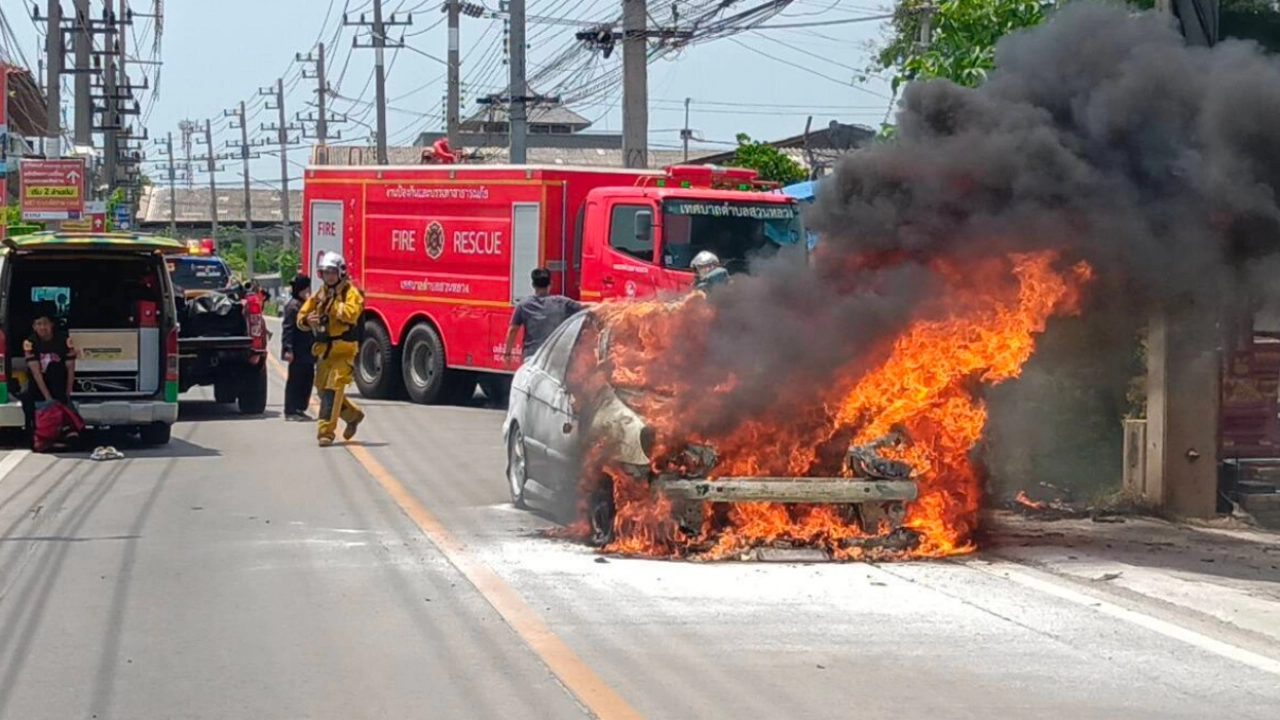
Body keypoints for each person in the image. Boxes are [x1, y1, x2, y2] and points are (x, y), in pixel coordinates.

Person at [297, 252, 365, 447]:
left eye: (332, 273)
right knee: (322, 389)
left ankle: (325, 432)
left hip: (344, 349)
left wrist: (333, 305)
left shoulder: (352, 293)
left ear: (341, 272)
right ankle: (353, 415)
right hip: (324, 349)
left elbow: (351, 314)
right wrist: (307, 320)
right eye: (325, 273)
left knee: (332, 390)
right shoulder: (321, 293)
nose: (328, 277)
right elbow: (303, 313)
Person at [22, 302, 83, 450]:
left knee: (55, 368)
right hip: (39, 385)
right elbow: (36, 373)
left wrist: (67, 394)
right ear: (34, 327)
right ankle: (37, 435)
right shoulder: (30, 343)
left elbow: (70, 368)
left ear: (52, 324)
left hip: (59, 382)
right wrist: (48, 399)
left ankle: (66, 431)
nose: (42, 327)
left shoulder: (64, 339)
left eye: (45, 323)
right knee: (27, 399)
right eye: (38, 324)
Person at [505, 267, 584, 365]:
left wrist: (507, 354)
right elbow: (585, 306)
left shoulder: (524, 305)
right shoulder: (561, 302)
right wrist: (604, 304)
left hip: (532, 358)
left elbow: (513, 330)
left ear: (533, 285)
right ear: (550, 284)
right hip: (554, 359)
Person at [280, 274, 315, 421]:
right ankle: (290, 410)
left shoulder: (305, 304)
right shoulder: (293, 306)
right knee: (295, 380)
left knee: (307, 379)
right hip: (297, 350)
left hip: (308, 350)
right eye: (306, 288)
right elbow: (287, 329)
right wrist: (288, 349)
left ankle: (300, 408)